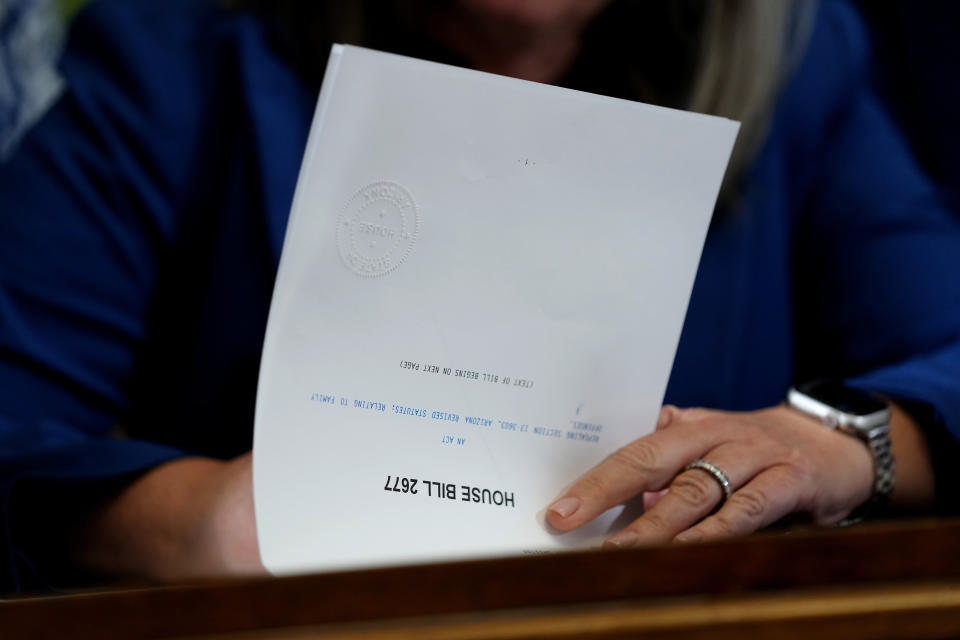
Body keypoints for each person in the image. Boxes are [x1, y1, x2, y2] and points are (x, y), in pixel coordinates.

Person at [1, 0, 958, 593]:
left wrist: (837, 445)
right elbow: (15, 421)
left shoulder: (797, 52)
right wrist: (194, 525)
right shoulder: (176, 55)